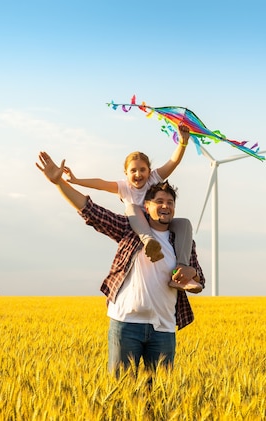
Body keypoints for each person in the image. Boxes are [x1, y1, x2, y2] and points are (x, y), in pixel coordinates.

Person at [36, 151, 205, 373]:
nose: (165, 206)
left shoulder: (181, 240)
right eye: (159, 202)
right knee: (121, 390)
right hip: (126, 324)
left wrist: (191, 277)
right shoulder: (128, 229)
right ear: (147, 206)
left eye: (170, 203)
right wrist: (60, 183)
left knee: (162, 396)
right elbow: (90, 211)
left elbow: (200, 279)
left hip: (164, 328)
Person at [62, 124, 201, 292]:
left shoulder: (154, 179)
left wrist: (182, 143)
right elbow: (101, 184)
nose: (138, 174)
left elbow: (173, 161)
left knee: (184, 223)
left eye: (142, 170)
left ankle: (182, 271)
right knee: (132, 209)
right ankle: (150, 242)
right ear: (126, 173)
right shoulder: (124, 187)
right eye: (133, 170)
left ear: (150, 171)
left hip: (158, 221)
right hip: (139, 227)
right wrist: (76, 181)